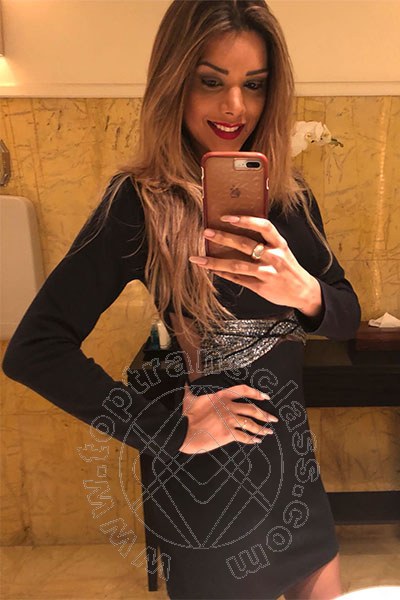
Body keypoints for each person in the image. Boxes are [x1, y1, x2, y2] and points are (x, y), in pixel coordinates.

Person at [2, 1, 361, 599]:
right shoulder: (137, 203)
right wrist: (167, 430)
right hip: (210, 503)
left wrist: (305, 293)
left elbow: (346, 319)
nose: (235, 107)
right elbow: (35, 350)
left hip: (298, 486)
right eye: (211, 82)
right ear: (175, 82)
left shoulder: (289, 199)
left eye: (254, 85)